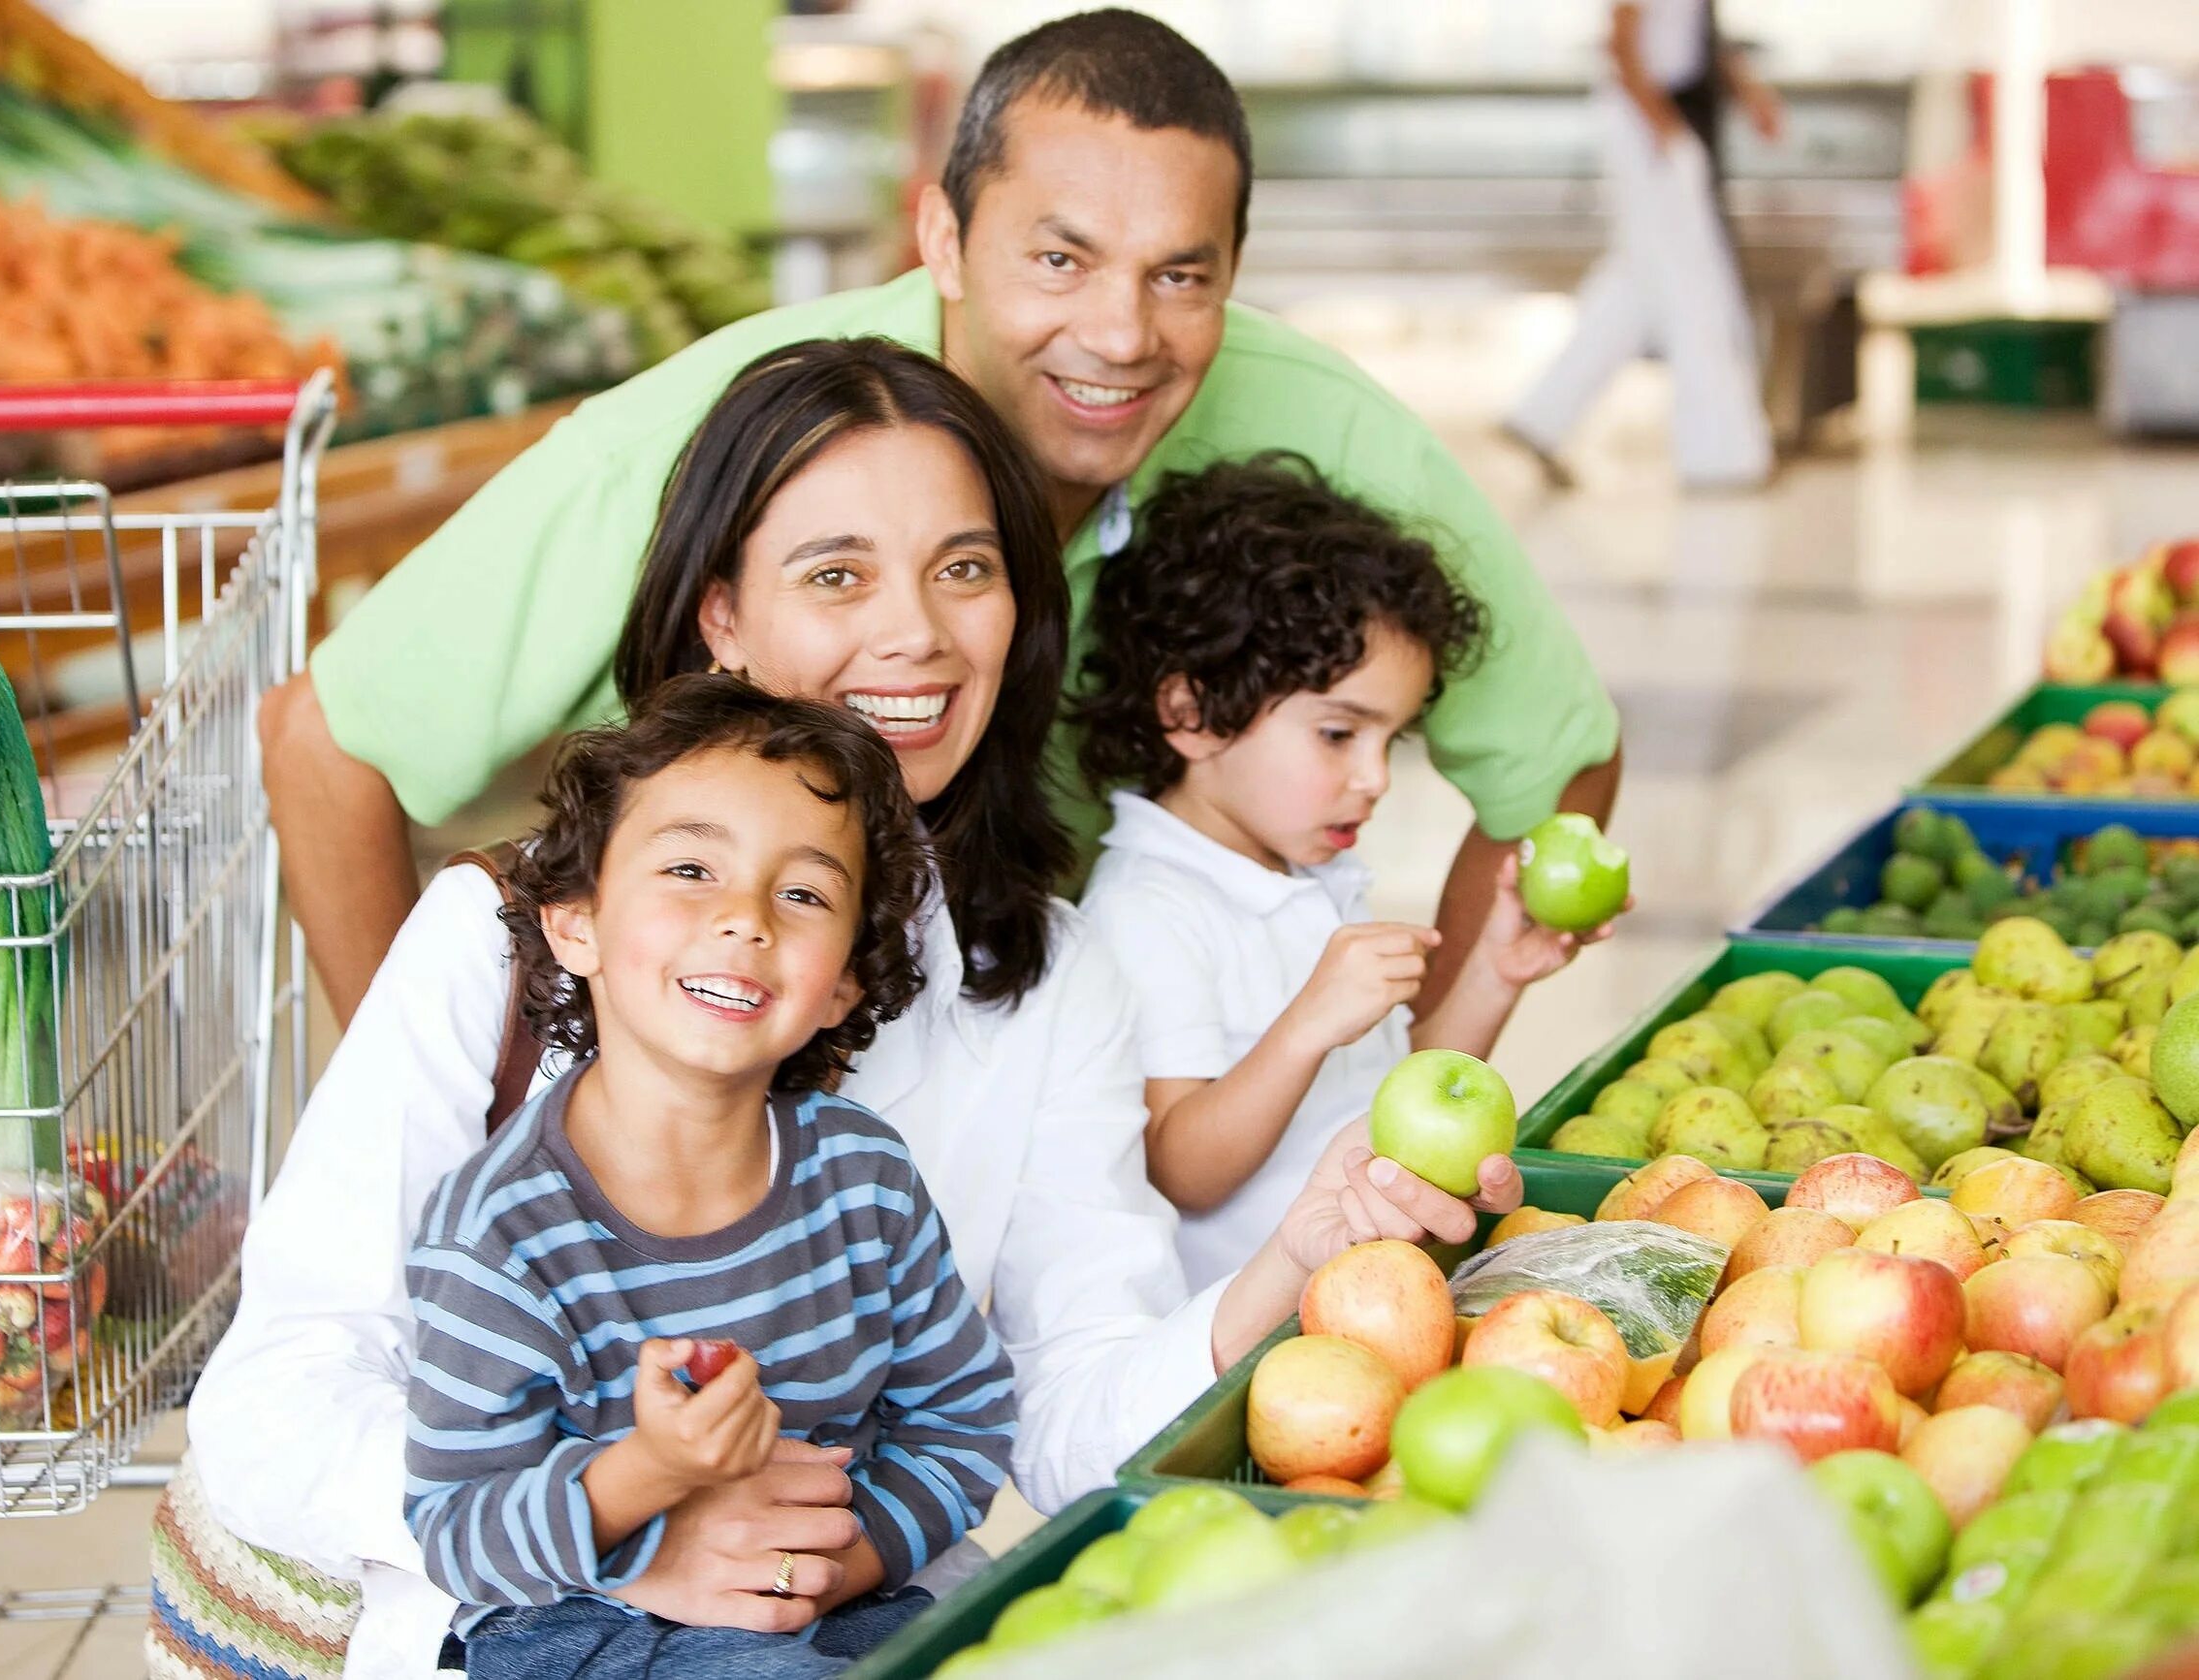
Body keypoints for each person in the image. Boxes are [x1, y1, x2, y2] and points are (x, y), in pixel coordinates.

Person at [161, 340, 1524, 1680]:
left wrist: (1297, 1255)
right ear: (723, 621)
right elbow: (278, 1401)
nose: (916, 634)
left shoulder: (1042, 976)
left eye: (965, 570)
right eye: (835, 575)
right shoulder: (509, 939)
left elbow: (1058, 1414)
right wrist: (630, 1527)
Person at [264, 8, 1620, 1038]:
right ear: (945, 238)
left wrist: (1399, 1110)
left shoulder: (1320, 429)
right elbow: (328, 746)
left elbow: (1559, 768)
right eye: (1059, 257)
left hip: (1082, 1090)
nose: (1120, 335)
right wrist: (460, 1142)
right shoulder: (708, 442)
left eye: (1180, 275)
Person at [404, 677, 1014, 1680]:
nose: (744, 918)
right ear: (574, 921)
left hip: (839, 1595)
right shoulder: (499, 1230)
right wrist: (654, 1468)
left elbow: (962, 1413)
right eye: (690, 867)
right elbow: (459, 1527)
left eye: (804, 893)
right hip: (585, 1621)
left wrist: (833, 1563)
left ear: (845, 982)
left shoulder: (864, 1180)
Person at [1072, 458, 1616, 1292]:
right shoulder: (1150, 908)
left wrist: (1493, 975)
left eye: (1389, 741)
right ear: (1190, 713)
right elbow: (1180, 1164)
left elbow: (1395, 1104)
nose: (1375, 778)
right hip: (1262, 1339)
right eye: (1338, 734)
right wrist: (1306, 1025)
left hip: (1371, 1289)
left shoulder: (1310, 874)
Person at [1503, 0, 1788, 491]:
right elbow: (1621, 37)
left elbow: (1700, 36)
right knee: (1695, 285)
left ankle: (1541, 415)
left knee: (1640, 284)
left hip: (1667, 118)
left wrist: (1748, 92)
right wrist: (1662, 125)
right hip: (1650, 125)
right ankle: (1718, 456)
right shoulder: (1656, 122)